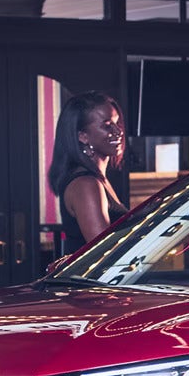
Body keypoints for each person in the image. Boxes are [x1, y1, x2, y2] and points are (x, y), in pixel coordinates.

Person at [47, 91, 129, 256]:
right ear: (83, 137)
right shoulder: (86, 184)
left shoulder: (98, 179)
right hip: (95, 281)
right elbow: (105, 253)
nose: (118, 130)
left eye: (117, 122)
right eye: (107, 125)